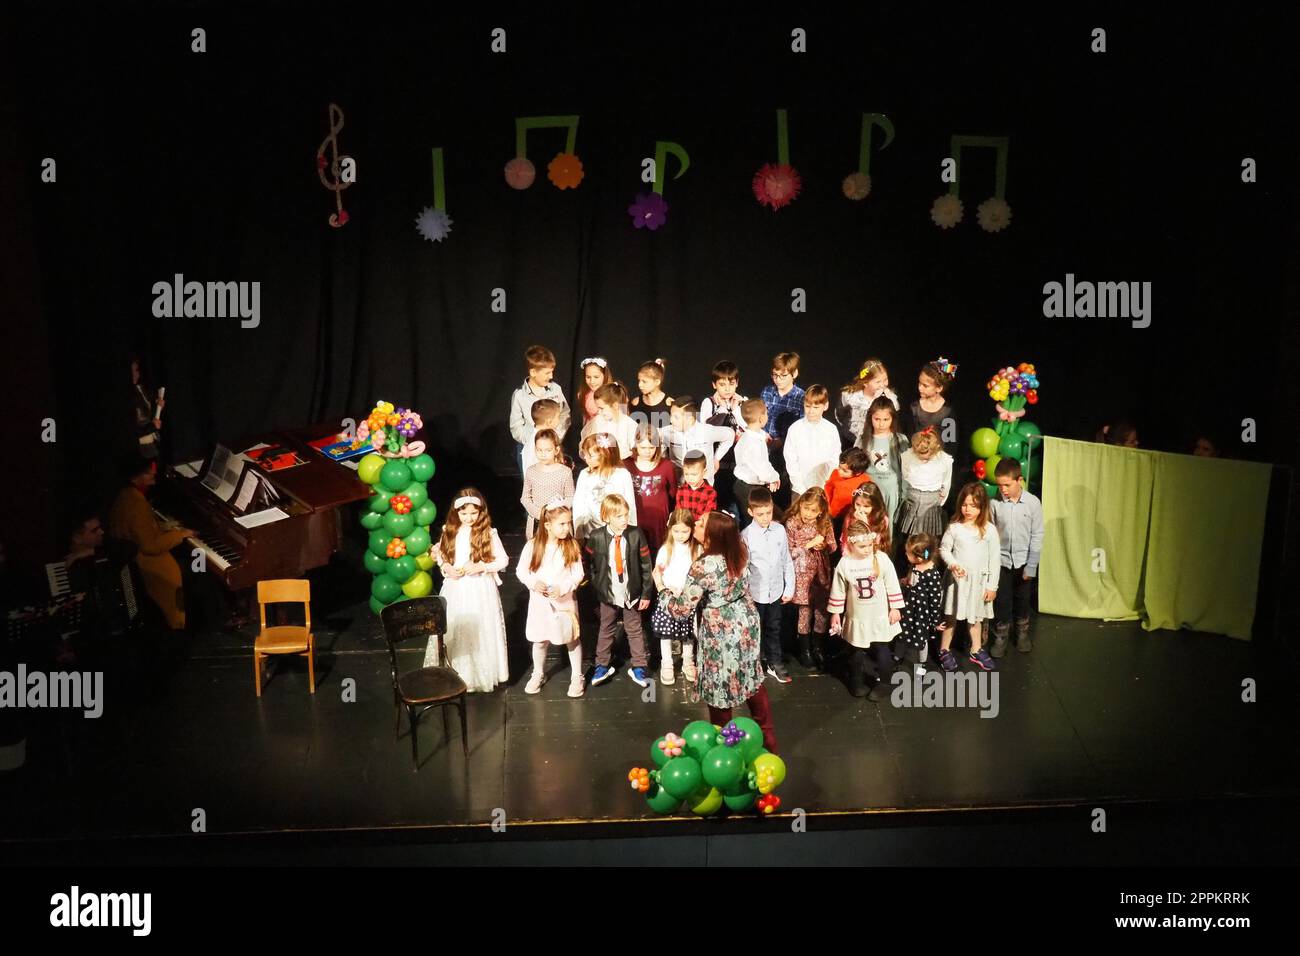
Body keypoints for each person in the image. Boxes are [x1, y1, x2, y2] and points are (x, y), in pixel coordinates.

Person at [664, 511, 778, 753]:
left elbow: (682, 610)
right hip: (745, 620)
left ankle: (722, 748)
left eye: (702, 523)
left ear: (711, 534)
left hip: (721, 628)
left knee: (719, 682)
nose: (696, 523)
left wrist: (664, 592)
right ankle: (769, 740)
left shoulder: (703, 566)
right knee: (750, 675)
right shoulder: (739, 550)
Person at [426, 490, 509, 692]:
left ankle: (480, 674)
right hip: (456, 588)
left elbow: (503, 560)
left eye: (473, 514)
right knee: (457, 626)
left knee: (481, 627)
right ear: (456, 513)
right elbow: (443, 557)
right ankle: (458, 673)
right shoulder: (450, 531)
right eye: (464, 514)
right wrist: (446, 567)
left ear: (481, 512)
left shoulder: (489, 532)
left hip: (480, 588)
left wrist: (481, 566)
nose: (469, 518)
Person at [107, 457, 193, 631]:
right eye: (148, 472)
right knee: (191, 573)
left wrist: (165, 527)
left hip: (133, 558)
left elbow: (142, 527)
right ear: (135, 476)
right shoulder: (135, 501)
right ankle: (180, 626)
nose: (154, 474)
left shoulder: (126, 494)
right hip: (145, 565)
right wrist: (180, 534)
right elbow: (150, 546)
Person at [516, 501, 586, 697]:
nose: (567, 528)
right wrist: (533, 582)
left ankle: (577, 676)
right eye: (562, 524)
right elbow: (521, 571)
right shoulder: (533, 546)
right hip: (540, 603)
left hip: (564, 603)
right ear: (547, 525)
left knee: (571, 638)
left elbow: (577, 574)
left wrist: (563, 588)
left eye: (568, 523)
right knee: (540, 640)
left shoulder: (570, 546)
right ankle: (538, 672)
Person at [584, 495, 654, 688]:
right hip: (608, 593)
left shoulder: (635, 534)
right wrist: (597, 584)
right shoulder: (597, 537)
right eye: (619, 516)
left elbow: (646, 566)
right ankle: (602, 665)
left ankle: (639, 665)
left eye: (626, 515)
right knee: (606, 628)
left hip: (631, 593)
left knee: (634, 628)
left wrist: (646, 593)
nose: (624, 520)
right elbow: (588, 564)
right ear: (606, 517)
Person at [829, 522, 904, 700]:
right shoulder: (845, 564)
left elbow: (892, 584)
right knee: (856, 651)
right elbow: (838, 589)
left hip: (879, 615)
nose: (867, 549)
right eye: (862, 546)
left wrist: (895, 607)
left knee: (882, 649)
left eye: (869, 545)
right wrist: (835, 613)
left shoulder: (882, 559)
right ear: (850, 544)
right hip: (857, 616)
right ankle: (856, 682)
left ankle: (884, 683)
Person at [939, 483, 1001, 672]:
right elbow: (944, 549)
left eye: (973, 506)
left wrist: (992, 586)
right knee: (951, 617)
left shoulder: (989, 530)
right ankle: (944, 650)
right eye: (965, 505)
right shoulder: (955, 527)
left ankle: (976, 649)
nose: (968, 510)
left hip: (978, 583)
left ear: (982, 507)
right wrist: (953, 564)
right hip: (957, 583)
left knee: (975, 618)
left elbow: (995, 559)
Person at [989, 458, 1045, 657]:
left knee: (1022, 599)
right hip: (1002, 562)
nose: (1003, 489)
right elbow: (992, 532)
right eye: (1000, 485)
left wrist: (1032, 565)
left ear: (1019, 480)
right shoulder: (994, 503)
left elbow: (1037, 535)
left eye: (1007, 484)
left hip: (1023, 562)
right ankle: (1001, 635)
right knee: (1002, 600)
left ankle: (1022, 633)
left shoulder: (1032, 503)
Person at [741, 488, 796, 683]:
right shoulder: (746, 535)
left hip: (775, 592)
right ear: (750, 512)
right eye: (760, 514)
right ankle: (752, 665)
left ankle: (774, 662)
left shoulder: (779, 530)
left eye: (768, 513)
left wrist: (789, 587)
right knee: (753, 631)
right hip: (755, 593)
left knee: (774, 628)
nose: (765, 518)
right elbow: (744, 568)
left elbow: (786, 560)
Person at [784, 487, 836, 669]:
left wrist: (824, 546)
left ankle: (818, 647)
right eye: (805, 508)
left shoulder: (825, 523)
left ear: (821, 511)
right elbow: (789, 552)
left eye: (813, 510)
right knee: (804, 612)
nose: (808, 513)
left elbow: (833, 546)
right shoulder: (792, 523)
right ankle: (804, 650)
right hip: (802, 573)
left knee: (821, 611)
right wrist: (808, 545)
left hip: (820, 573)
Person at [651, 509, 701, 686]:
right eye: (676, 531)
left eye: (685, 531)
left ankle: (688, 661)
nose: (680, 535)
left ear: (692, 530)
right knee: (667, 633)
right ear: (670, 529)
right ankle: (667, 663)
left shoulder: (696, 549)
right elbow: (659, 572)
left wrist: (687, 590)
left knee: (688, 633)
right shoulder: (666, 549)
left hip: (688, 598)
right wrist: (668, 587)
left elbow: (698, 573)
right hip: (669, 598)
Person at [508, 345, 572, 472]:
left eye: (552, 371)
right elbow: (516, 425)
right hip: (530, 446)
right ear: (533, 372)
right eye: (547, 373)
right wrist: (534, 440)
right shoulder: (520, 395)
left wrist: (554, 437)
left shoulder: (555, 389)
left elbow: (565, 414)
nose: (551, 376)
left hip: (552, 445)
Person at [904, 358, 962, 495]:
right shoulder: (914, 409)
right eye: (919, 383)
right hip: (916, 465)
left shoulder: (947, 412)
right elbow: (908, 439)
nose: (919, 387)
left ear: (939, 388)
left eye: (925, 385)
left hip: (936, 468)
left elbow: (951, 445)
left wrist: (934, 459)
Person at [573, 433, 637, 541]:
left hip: (618, 535)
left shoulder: (622, 474)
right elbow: (579, 505)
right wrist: (578, 533)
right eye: (584, 454)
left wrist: (632, 534)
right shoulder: (585, 474)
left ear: (605, 454)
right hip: (591, 535)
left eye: (590, 455)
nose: (586, 458)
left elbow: (630, 504)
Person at [624, 423, 676, 553]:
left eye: (651, 448)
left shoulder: (666, 466)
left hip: (658, 522)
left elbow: (673, 493)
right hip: (634, 520)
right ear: (636, 444)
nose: (647, 452)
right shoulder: (627, 464)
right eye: (643, 447)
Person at [783, 384, 844, 497]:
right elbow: (791, 460)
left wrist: (826, 484)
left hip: (824, 488)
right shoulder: (795, 428)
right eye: (807, 406)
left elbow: (835, 459)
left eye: (816, 407)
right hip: (800, 489)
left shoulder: (831, 429)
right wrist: (801, 488)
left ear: (825, 406)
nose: (811, 411)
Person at [859, 396, 909, 529]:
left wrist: (904, 494)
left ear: (892, 419)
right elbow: (856, 467)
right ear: (870, 418)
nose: (881, 424)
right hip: (869, 494)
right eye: (877, 419)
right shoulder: (863, 439)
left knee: (887, 530)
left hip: (891, 492)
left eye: (886, 419)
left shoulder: (900, 440)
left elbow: (906, 470)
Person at [898, 532, 944, 675]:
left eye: (908, 553)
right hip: (909, 608)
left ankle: (921, 666)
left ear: (918, 556)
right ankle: (897, 658)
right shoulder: (915, 567)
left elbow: (935, 599)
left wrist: (935, 621)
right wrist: (905, 582)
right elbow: (911, 581)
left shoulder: (932, 574)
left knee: (921, 641)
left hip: (921, 614)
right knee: (902, 634)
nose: (906, 555)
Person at [897, 427, 954, 540]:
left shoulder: (944, 460)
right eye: (919, 455)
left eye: (927, 457)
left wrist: (940, 501)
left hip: (932, 502)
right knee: (910, 536)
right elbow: (905, 476)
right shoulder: (908, 456)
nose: (923, 459)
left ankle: (926, 556)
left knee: (928, 537)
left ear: (936, 449)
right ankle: (911, 555)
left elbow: (946, 482)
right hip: (912, 499)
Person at [661, 399, 735, 483]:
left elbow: (730, 434)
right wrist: (664, 458)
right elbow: (651, 436)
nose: (671, 420)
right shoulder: (667, 432)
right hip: (679, 484)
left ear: (690, 419)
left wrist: (717, 458)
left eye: (676, 417)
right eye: (671, 415)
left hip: (704, 485)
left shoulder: (707, 431)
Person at [731, 398, 780, 522]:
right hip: (748, 488)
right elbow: (762, 467)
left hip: (745, 485)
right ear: (761, 419)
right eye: (767, 413)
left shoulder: (750, 437)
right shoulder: (754, 443)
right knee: (753, 522)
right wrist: (774, 477)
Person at [520, 428, 574, 540]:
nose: (543, 454)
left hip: (559, 523)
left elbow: (570, 496)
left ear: (556, 450)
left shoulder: (565, 472)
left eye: (548, 450)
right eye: (539, 450)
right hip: (537, 522)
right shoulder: (531, 471)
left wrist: (557, 512)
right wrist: (539, 513)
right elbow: (525, 497)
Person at [839, 357, 899, 447]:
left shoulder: (890, 398)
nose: (883, 385)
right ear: (865, 383)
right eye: (878, 382)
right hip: (852, 442)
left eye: (885, 380)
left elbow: (893, 420)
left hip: (879, 442)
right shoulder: (852, 399)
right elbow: (840, 415)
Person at [580, 381, 639, 459]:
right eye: (598, 408)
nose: (599, 412)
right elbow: (588, 445)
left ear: (615, 405)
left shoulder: (630, 425)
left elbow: (634, 451)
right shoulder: (598, 421)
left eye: (602, 408)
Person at [759, 351, 805, 449]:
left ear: (795, 373)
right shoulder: (767, 391)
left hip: (787, 448)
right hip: (763, 443)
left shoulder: (801, 398)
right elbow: (758, 417)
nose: (778, 379)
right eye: (775, 375)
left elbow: (802, 429)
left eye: (783, 376)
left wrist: (782, 441)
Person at [838, 482, 891, 556]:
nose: (860, 509)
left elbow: (876, 545)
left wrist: (865, 525)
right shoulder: (850, 517)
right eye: (858, 504)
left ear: (875, 506)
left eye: (866, 506)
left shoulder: (882, 520)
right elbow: (845, 542)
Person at [823, 447, 873, 522]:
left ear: (857, 472)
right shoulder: (835, 473)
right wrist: (828, 507)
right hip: (833, 516)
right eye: (839, 467)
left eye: (845, 471)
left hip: (852, 518)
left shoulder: (865, 481)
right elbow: (828, 488)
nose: (840, 471)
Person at [131, 356, 164, 461]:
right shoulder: (127, 396)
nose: (137, 374)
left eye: (137, 370)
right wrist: (152, 426)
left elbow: (148, 411)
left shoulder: (140, 387)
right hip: (143, 445)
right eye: (133, 371)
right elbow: (132, 429)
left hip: (154, 440)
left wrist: (158, 405)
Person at [629, 358, 674, 432]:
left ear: (657, 382)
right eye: (639, 380)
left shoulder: (670, 404)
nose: (640, 385)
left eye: (644, 381)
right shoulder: (635, 403)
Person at [520, 399, 563, 476]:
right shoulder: (538, 442)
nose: (559, 420)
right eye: (558, 417)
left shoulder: (546, 438)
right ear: (549, 421)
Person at [675, 450, 718, 521]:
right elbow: (678, 513)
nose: (690, 478)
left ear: (704, 472)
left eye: (694, 474)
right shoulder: (681, 491)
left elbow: (708, 518)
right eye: (686, 474)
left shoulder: (710, 493)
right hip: (684, 529)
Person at [576, 356, 613, 425]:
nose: (592, 381)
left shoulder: (614, 394)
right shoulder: (584, 394)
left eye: (596, 377)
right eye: (588, 377)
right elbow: (585, 419)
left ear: (604, 375)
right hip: (591, 432)